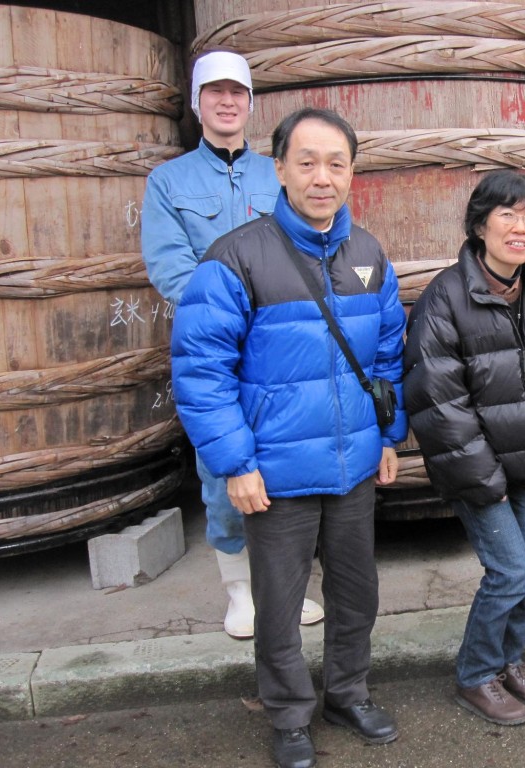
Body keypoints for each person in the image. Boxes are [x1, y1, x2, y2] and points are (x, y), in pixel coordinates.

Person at [171, 107, 407, 768]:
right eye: (307, 162)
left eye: (336, 164)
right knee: (279, 603)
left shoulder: (368, 255)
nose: (322, 177)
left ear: (353, 173)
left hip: (355, 464)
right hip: (273, 473)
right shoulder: (237, 257)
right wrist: (235, 463)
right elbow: (201, 371)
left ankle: (347, 692)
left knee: (356, 592)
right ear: (278, 169)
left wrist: (388, 434)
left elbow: (388, 356)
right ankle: (288, 713)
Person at [141, 50, 323, 639]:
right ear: (196, 104)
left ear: (250, 103)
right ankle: (240, 592)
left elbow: (312, 241)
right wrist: (232, 308)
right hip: (217, 346)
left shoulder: (277, 169)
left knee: (290, 460)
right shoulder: (169, 182)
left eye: (237, 93)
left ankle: (289, 587)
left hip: (285, 341)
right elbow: (169, 266)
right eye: (214, 92)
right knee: (223, 467)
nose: (227, 102)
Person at [404, 170, 525, 725]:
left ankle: (509, 660)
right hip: (477, 470)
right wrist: (489, 483)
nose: (520, 227)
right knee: (507, 569)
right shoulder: (446, 297)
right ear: (480, 225)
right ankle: (476, 674)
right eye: (507, 214)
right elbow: (440, 405)